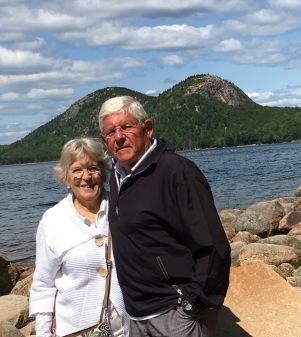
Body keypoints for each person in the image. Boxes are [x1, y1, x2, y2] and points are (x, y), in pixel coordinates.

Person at [98, 96, 231, 337]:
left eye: (127, 127)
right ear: (104, 140)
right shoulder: (118, 175)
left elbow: (213, 247)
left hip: (175, 315)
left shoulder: (177, 171)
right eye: (111, 132)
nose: (119, 137)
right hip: (136, 316)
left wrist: (192, 305)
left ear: (147, 129)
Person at [29, 137, 130, 337]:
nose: (86, 177)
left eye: (93, 168)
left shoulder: (123, 208)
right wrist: (43, 333)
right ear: (66, 177)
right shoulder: (52, 222)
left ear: (103, 172)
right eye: (77, 170)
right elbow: (43, 285)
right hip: (78, 329)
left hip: (128, 327)